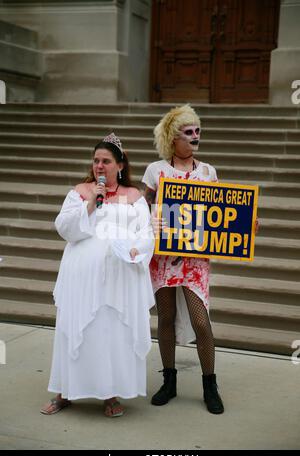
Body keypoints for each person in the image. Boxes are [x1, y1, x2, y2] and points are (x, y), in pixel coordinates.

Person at [40, 133, 155, 417]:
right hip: (81, 279)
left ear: (120, 165)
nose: (99, 166)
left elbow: (147, 232)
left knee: (111, 334)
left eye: (106, 161)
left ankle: (110, 394)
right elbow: (64, 228)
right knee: (76, 329)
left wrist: (135, 251)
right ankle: (65, 391)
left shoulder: (135, 197)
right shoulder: (80, 192)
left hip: (119, 280)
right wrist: (90, 202)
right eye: (96, 161)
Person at [142, 104, 228, 414]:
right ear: (172, 137)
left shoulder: (208, 172)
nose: (195, 137)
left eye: (198, 131)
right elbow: (143, 211)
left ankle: (210, 384)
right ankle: (169, 381)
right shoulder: (156, 171)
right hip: (163, 258)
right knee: (164, 319)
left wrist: (245, 225)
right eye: (188, 132)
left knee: (201, 322)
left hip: (195, 260)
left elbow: (223, 216)